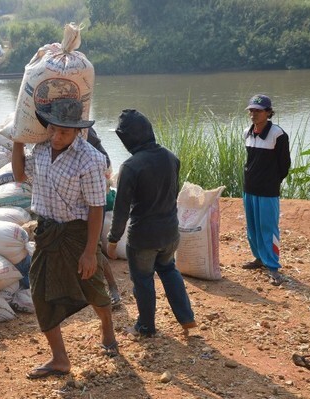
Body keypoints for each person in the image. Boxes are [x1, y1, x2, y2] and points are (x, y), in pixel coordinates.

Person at [12, 98, 118, 380]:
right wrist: (18, 141)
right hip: (48, 232)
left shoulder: (91, 159)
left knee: (92, 286)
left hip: (77, 233)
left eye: (65, 132)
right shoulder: (42, 150)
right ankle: (59, 358)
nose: (57, 137)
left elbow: (96, 208)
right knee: (39, 294)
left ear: (78, 132)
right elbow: (20, 174)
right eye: (54, 130)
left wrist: (90, 252)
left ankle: (107, 326)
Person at [106, 109, 197, 338]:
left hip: (143, 237)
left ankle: (145, 326)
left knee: (143, 279)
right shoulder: (171, 157)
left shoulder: (130, 166)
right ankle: (186, 318)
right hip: (170, 232)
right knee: (168, 270)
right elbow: (172, 193)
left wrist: (113, 239)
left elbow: (122, 208)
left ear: (128, 138)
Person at [241, 94, 291, 286]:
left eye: (258, 110)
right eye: (251, 110)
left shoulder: (278, 134)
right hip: (249, 188)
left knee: (268, 227)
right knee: (252, 227)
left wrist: (272, 181)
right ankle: (259, 258)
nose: (253, 114)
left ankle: (272, 266)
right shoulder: (247, 132)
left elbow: (284, 165)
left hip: (268, 190)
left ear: (268, 112)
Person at [86, 126, 121, 307]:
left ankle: (112, 288)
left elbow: (104, 162)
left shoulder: (85, 133)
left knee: (94, 247)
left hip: (93, 194)